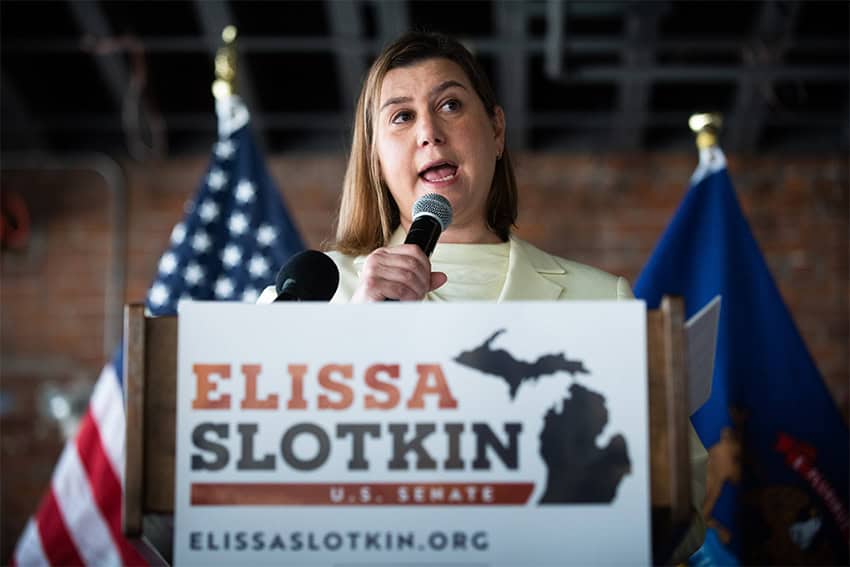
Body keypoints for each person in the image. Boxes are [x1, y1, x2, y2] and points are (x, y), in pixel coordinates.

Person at [259, 30, 706, 561]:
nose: (430, 131)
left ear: (496, 130)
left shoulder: (600, 299)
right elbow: (256, 473)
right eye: (401, 116)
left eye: (450, 104)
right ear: (376, 156)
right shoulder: (315, 290)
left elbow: (686, 495)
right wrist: (357, 340)